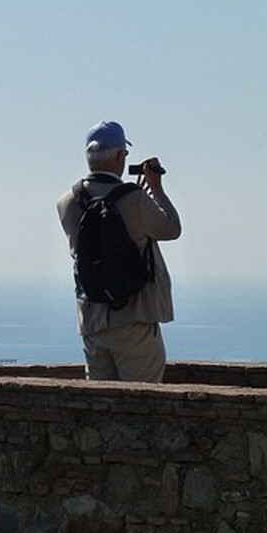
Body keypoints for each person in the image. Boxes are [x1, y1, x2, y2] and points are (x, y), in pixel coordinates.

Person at [56, 120, 182, 382]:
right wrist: (156, 189)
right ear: (118, 156)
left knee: (100, 402)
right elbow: (171, 228)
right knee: (143, 400)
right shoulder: (134, 198)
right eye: (124, 154)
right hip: (134, 315)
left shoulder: (67, 201)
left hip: (92, 318)